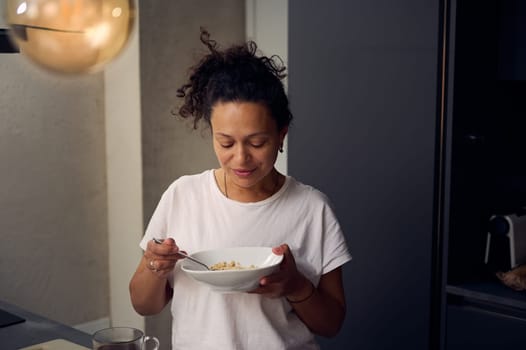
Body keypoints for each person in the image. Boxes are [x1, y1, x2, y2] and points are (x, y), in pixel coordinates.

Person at [129, 28, 352, 350]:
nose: (241, 157)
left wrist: (295, 285)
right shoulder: (183, 195)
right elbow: (144, 305)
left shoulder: (312, 208)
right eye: (226, 142)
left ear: (281, 135)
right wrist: (155, 265)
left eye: (257, 142)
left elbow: (332, 324)